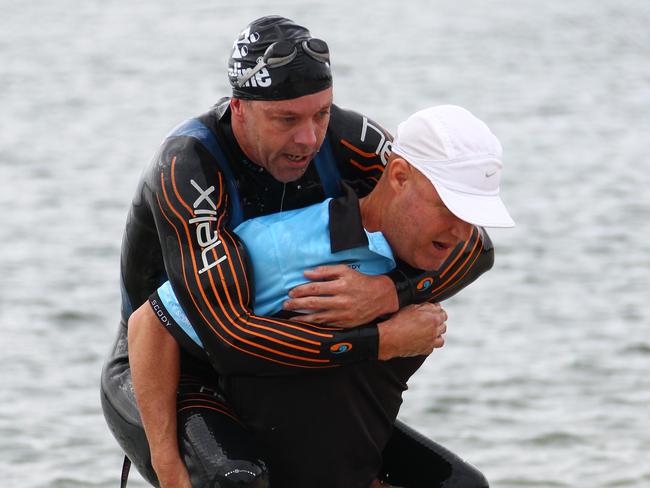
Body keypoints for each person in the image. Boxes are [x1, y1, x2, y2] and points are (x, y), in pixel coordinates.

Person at [99, 15, 502, 488]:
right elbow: (222, 337)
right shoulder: (189, 170)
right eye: (286, 120)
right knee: (238, 480)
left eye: (321, 113)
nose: (309, 138)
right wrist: (381, 340)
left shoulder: (354, 140)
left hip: (276, 374)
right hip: (169, 371)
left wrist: (389, 294)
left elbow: (474, 245)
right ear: (240, 109)